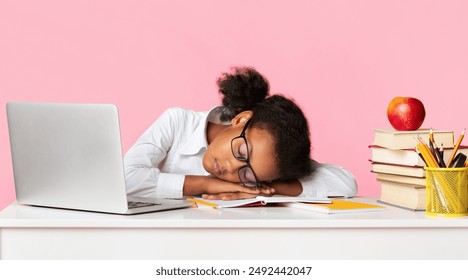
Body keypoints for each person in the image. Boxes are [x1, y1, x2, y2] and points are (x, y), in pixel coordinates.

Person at [124, 66, 357, 200]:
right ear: (241, 119)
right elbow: (125, 179)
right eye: (241, 151)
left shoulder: (263, 172)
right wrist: (208, 184)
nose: (230, 169)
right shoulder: (178, 122)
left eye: (246, 174)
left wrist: (261, 188)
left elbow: (346, 183)